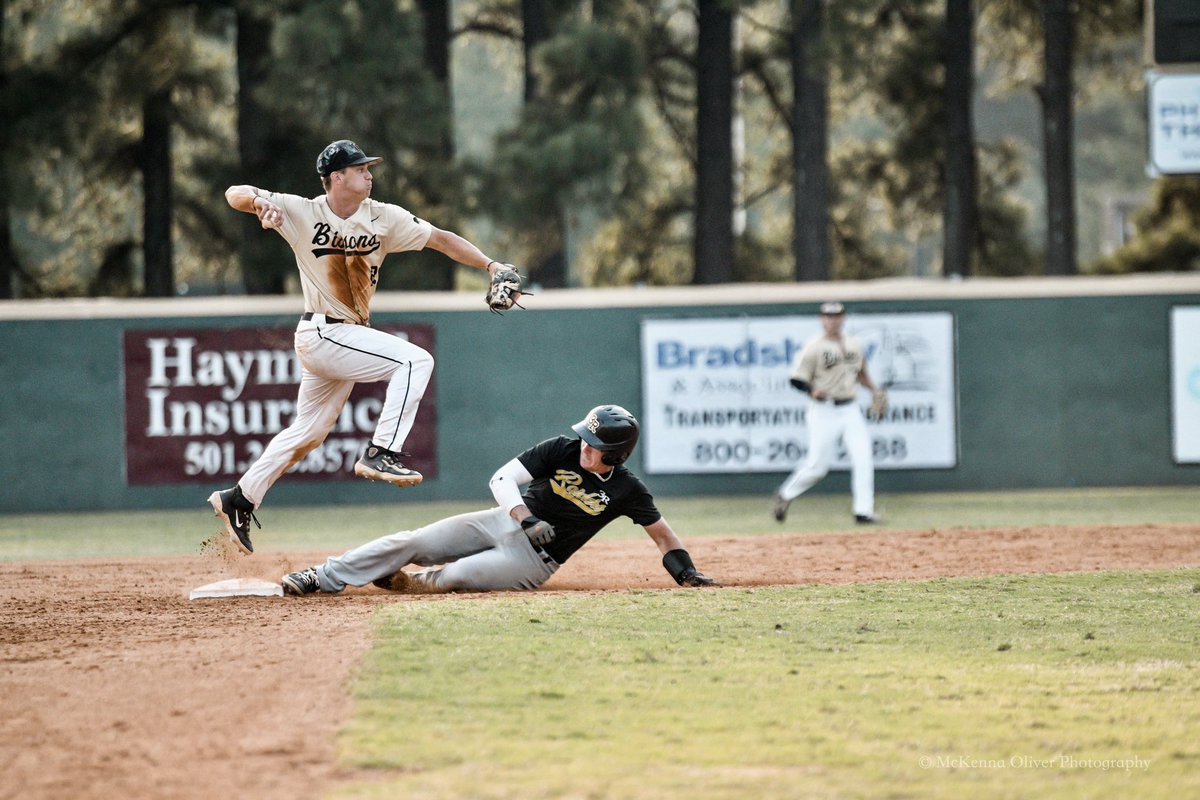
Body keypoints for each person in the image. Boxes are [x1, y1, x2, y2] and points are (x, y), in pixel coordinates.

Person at [209, 139, 518, 555]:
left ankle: (240, 498)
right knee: (415, 359)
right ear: (336, 178)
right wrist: (260, 205)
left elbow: (441, 239)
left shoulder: (384, 217)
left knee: (309, 431)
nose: (369, 174)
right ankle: (382, 451)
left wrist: (491, 265)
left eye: (368, 168)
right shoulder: (302, 210)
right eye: (359, 169)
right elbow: (235, 194)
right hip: (322, 332)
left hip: (343, 336)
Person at [280, 405, 717, 595]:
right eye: (585, 437)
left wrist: (686, 573)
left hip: (535, 562)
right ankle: (323, 575)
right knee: (416, 542)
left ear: (617, 456)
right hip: (503, 522)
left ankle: (412, 584)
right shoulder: (562, 449)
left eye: (594, 444)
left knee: (453, 577)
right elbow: (503, 477)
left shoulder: (627, 490)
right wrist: (525, 517)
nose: (584, 447)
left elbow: (662, 535)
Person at [772, 302, 887, 525]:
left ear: (843, 319)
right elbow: (796, 378)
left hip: (850, 408)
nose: (832, 320)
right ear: (822, 319)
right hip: (824, 409)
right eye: (828, 316)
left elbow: (861, 373)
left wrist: (874, 390)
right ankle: (785, 494)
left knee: (863, 458)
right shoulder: (813, 347)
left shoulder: (854, 344)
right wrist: (811, 391)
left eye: (836, 316)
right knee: (817, 466)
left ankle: (863, 511)